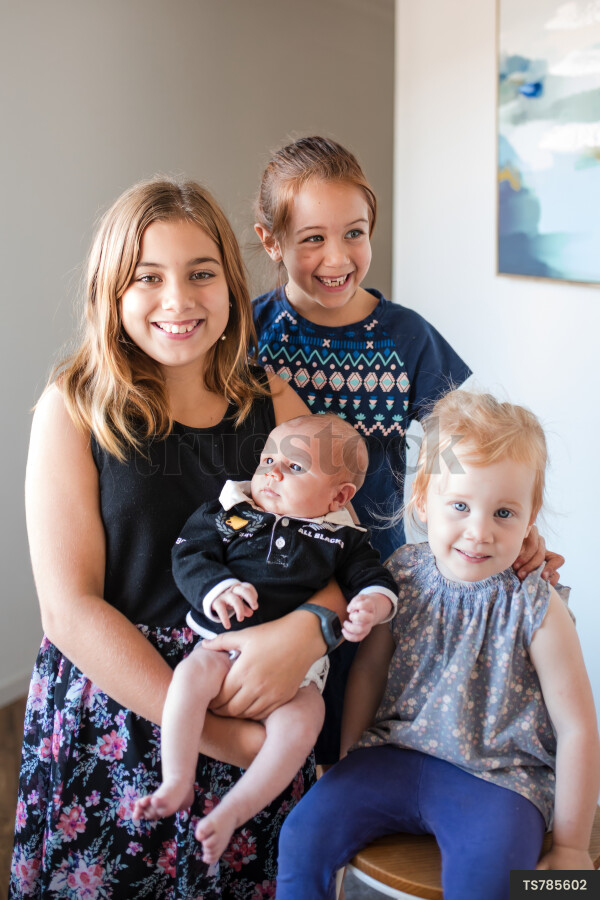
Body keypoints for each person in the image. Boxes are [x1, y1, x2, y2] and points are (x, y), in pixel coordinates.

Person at [10, 177, 351, 899]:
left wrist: (308, 632)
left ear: (231, 285)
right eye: (148, 277)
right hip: (122, 712)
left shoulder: (273, 400)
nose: (178, 299)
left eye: (201, 273)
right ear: (111, 291)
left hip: (257, 698)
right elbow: (70, 611)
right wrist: (225, 740)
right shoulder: (74, 407)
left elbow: (335, 550)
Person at [251, 135, 562, 762]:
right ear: (271, 241)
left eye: (354, 233)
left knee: (351, 732)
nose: (337, 256)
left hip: (374, 577)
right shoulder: (251, 334)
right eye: (312, 238)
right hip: (270, 573)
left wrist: (517, 525)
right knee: (273, 738)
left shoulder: (406, 338)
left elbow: (469, 449)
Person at [275, 390, 600, 900]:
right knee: (301, 834)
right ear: (424, 500)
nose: (479, 532)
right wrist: (349, 756)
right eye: (461, 506)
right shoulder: (402, 573)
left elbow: (577, 727)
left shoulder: (535, 604)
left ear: (531, 515)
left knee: (490, 880)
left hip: (499, 778)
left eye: (504, 512)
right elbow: (369, 670)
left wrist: (572, 846)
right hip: (391, 755)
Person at [133, 413, 398, 864]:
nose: (272, 473)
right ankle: (176, 778)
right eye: (268, 461)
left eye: (295, 467)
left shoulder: (343, 539)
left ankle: (234, 810)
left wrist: (371, 606)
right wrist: (218, 588)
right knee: (189, 677)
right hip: (223, 645)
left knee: (305, 722)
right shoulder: (231, 511)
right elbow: (190, 553)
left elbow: (375, 579)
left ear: (339, 496)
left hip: (301, 674)